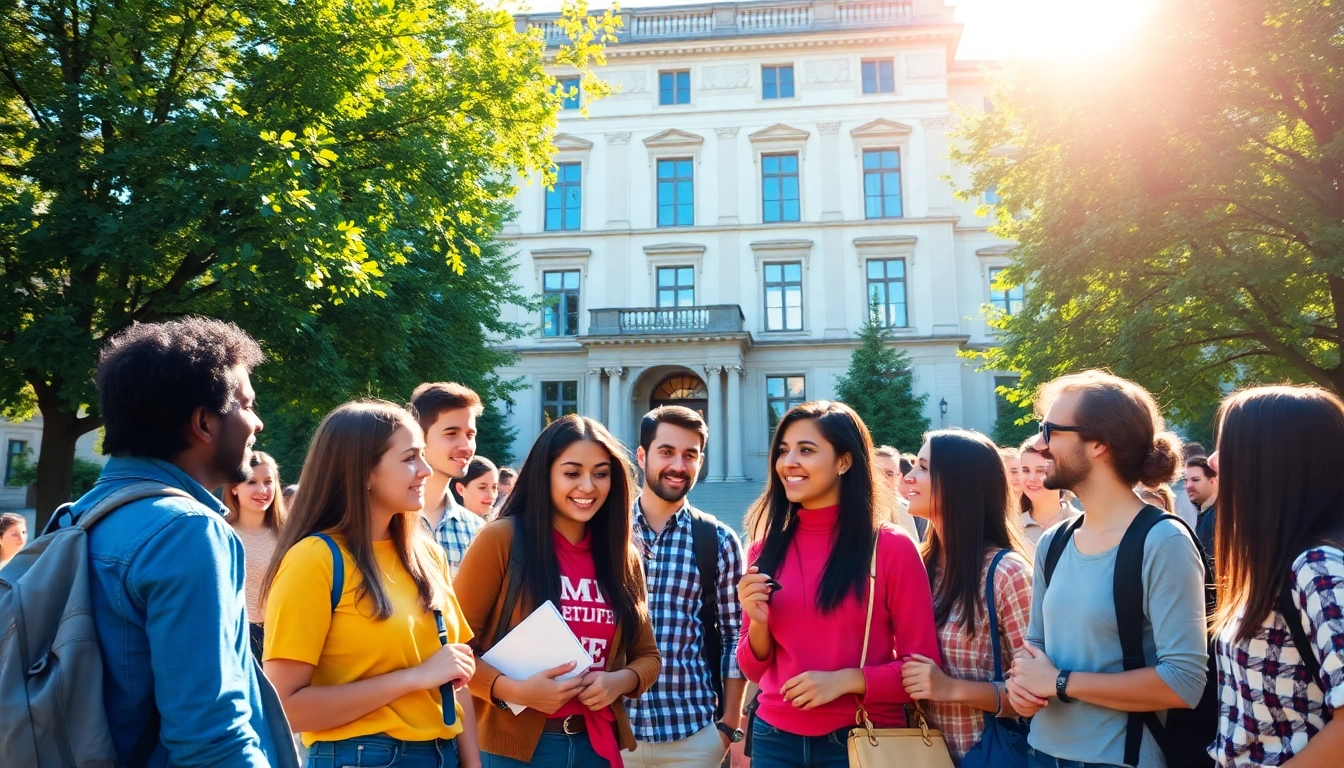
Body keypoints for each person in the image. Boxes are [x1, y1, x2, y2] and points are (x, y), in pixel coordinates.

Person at [68, 317, 297, 766]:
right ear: (204, 423)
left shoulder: (79, 515)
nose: (258, 423)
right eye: (246, 405)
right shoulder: (188, 531)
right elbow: (211, 736)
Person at [1006, 370, 1208, 768]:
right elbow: (1035, 652)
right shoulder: (1056, 540)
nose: (1040, 445)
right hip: (1041, 752)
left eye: (1050, 430)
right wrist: (1022, 687)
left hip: (1118, 760)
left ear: (1099, 443)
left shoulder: (1162, 540)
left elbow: (1184, 682)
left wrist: (1060, 683)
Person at [262, 400, 480, 768]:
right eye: (410, 457)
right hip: (361, 756)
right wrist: (413, 678)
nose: (426, 470)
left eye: (423, 455)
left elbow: (455, 680)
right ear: (362, 472)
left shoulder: (426, 554)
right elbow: (285, 708)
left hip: (442, 753)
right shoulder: (314, 559)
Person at [738, 401, 941, 768]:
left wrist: (848, 680)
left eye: (806, 450)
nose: (788, 462)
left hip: (863, 739)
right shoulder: (763, 549)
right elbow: (752, 668)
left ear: (844, 462)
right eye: (783, 450)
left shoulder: (890, 548)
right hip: (773, 739)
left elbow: (923, 670)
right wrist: (758, 622)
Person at [454, 414, 661, 768]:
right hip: (510, 751)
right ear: (544, 475)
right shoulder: (501, 539)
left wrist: (618, 681)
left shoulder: (622, 556)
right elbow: (455, 649)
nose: (588, 486)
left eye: (600, 473)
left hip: (594, 746)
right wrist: (514, 690)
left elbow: (648, 657)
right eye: (572, 472)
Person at [1208, 386, 1344, 766]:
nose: (1215, 461)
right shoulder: (1280, 558)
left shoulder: (1317, 567)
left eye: (1229, 446)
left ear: (1272, 463)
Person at [900, 429, 1034, 762]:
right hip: (917, 755)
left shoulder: (1007, 573)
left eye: (924, 468)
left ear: (960, 483)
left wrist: (950, 688)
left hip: (986, 754)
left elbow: (1035, 693)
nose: (910, 476)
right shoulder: (915, 564)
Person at [627, 406, 748, 766]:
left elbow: (733, 637)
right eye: (666, 452)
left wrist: (728, 725)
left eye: (690, 455)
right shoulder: (606, 533)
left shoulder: (718, 540)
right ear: (642, 455)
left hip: (693, 738)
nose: (678, 465)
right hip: (612, 734)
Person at [411, 382, 485, 576]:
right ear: (419, 437)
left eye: (470, 434)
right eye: (451, 433)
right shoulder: (385, 521)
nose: (466, 445)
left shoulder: (478, 531)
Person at [224, 450, 288, 660]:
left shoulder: (292, 535)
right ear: (234, 487)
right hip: (237, 638)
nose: (262, 490)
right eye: (251, 482)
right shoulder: (220, 533)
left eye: (268, 482)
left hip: (286, 635)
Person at [1017, 439, 1079, 545]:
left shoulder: (1083, 524)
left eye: (1041, 471)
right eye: (1026, 470)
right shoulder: (1012, 528)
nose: (1032, 478)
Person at [874, 444, 922, 540]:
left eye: (889, 474)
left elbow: (912, 551)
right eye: (877, 471)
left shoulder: (903, 510)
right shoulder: (850, 505)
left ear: (897, 477)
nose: (882, 479)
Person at [1185, 455, 1219, 556]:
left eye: (1195, 480)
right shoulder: (1206, 512)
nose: (1188, 486)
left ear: (1213, 481)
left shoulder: (1215, 516)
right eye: (1186, 480)